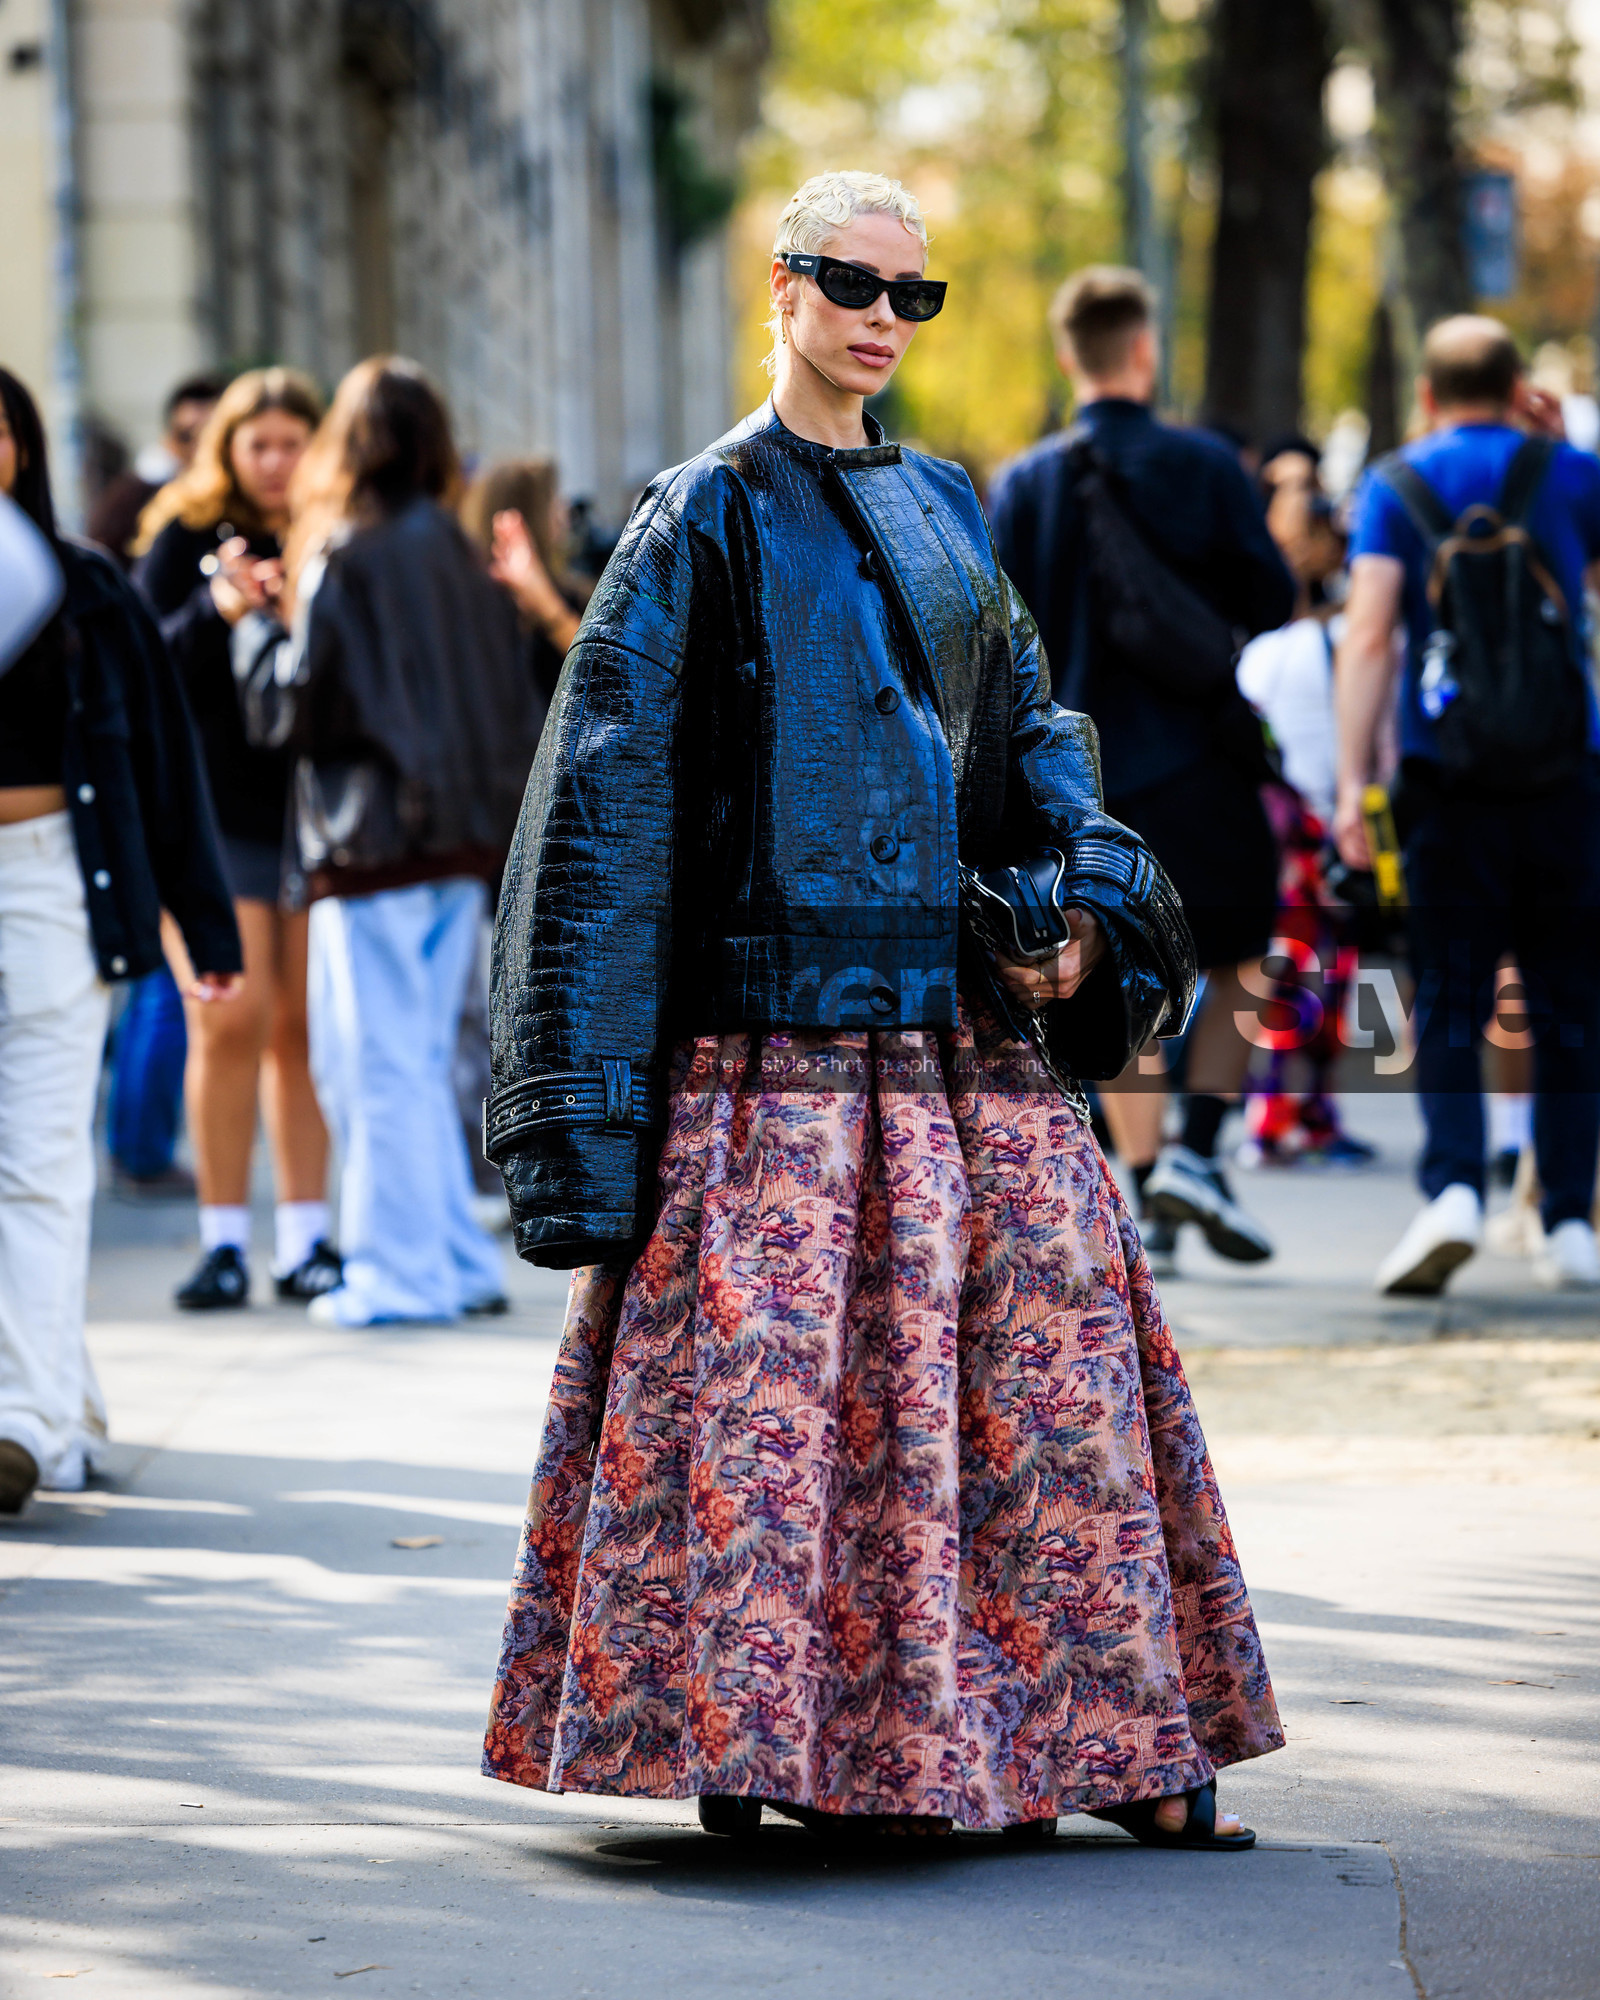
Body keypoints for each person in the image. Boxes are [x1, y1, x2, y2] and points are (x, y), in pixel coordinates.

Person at [480, 171, 1280, 1845]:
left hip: (958, 1030)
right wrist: (579, 1120)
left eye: (913, 295)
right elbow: (605, 818)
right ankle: (781, 1749)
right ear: (780, 288)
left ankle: (1108, 1744)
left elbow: (1037, 732)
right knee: (784, 1410)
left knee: (1050, 1383)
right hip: (761, 1048)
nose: (883, 319)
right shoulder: (693, 516)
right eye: (852, 282)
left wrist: (1072, 903)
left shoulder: (952, 504)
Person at [990, 268, 1295, 1277]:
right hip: (1199, 755)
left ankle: (1145, 1176)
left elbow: (992, 632)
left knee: (1110, 965)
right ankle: (1201, 1154)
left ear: (1069, 356)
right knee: (1245, 951)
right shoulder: (1204, 466)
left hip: (1078, 781)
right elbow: (1271, 593)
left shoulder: (1026, 481)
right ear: (1144, 350)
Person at [234, 357, 542, 1326]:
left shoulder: (346, 551)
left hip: (370, 841)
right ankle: (449, 1258)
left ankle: (402, 1271)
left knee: (376, 1061)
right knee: (414, 1058)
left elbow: (297, 705)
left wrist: (251, 630)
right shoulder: (454, 554)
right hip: (456, 841)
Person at [0, 368, 241, 1514]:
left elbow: (162, 763)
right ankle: (60, 1402)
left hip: (51, 886)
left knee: (41, 1164)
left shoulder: (83, 587)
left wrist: (202, 923)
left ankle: (25, 1425)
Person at [1336, 315, 1600, 1294]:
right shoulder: (1570, 477)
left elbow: (1367, 637)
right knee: (1570, 994)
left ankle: (1451, 1189)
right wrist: (1563, 455)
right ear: (1517, 382)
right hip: (1566, 777)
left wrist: (1352, 785)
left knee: (1446, 993)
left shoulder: (1396, 483)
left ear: (1429, 394)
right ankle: (1570, 1217)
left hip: (1443, 781)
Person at [133, 368, 338, 1307]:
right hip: (215, 813)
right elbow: (144, 671)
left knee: (299, 1029)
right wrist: (217, 613)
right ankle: (222, 1242)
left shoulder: (329, 532)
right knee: (227, 1021)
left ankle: (305, 1240)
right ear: (227, 448)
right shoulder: (182, 537)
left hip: (312, 810)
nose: (274, 461)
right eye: (257, 443)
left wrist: (302, 609)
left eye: (292, 441)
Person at [1235, 439, 1374, 1167]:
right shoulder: (1303, 642)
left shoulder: (1279, 646)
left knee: (1314, 973)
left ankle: (1298, 1113)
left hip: (1304, 828)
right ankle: (1279, 1117)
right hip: (1303, 828)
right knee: (1301, 974)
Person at [86, 372, 226, 566]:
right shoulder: (131, 498)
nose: (199, 446)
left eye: (211, 435)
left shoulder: (243, 499)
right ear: (169, 436)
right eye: (186, 435)